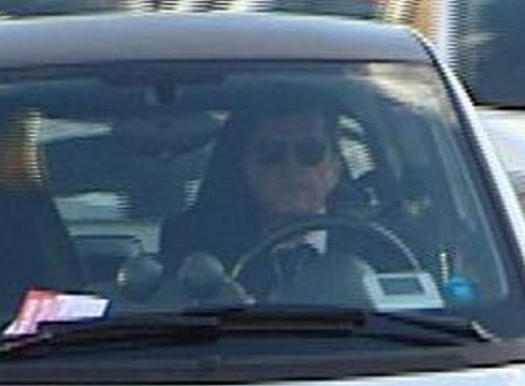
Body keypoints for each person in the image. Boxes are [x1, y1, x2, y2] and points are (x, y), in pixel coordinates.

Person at [150, 104, 377, 306]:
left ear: (335, 167)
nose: (291, 167)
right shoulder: (194, 241)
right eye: (271, 153)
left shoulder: (377, 242)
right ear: (245, 167)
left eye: (310, 152)